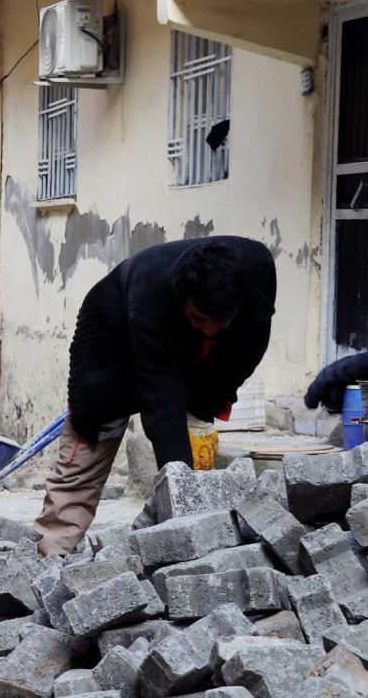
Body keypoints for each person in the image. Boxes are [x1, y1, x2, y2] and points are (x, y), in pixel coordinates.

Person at [34, 237, 276, 557]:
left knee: (194, 426)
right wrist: (180, 495)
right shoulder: (151, 294)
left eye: (216, 324)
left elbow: (248, 349)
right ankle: (49, 552)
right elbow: (161, 407)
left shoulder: (256, 273)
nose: (206, 330)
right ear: (184, 299)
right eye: (198, 320)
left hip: (185, 344)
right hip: (110, 333)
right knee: (94, 425)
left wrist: (202, 407)